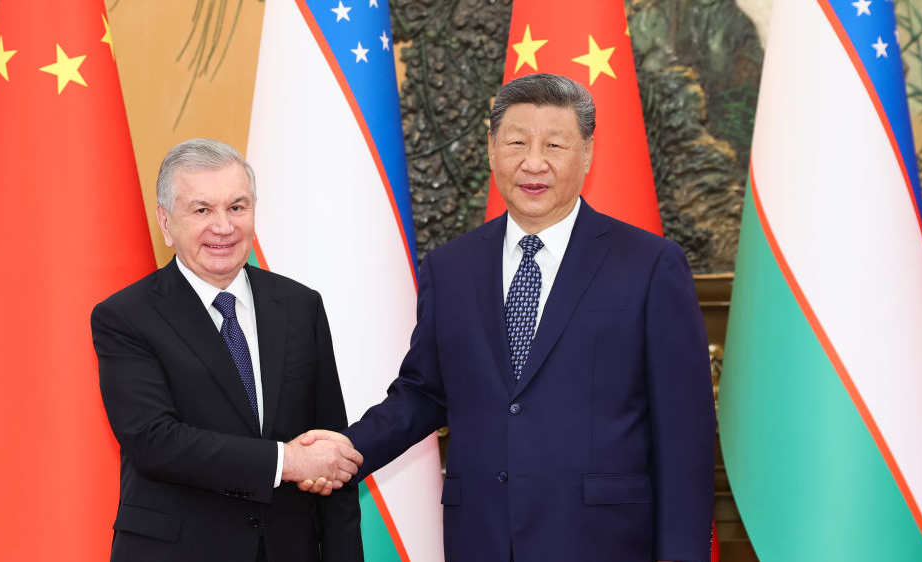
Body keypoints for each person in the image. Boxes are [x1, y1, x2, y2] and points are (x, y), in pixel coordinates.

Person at [301, 74, 716, 561]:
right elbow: (422, 394)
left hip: (605, 540)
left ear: (587, 154)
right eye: (517, 142)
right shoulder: (449, 267)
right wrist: (345, 449)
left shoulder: (649, 264)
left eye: (555, 144)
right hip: (483, 538)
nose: (533, 162)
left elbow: (684, 431)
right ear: (493, 148)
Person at [91, 138, 363, 562]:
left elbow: (330, 447)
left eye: (237, 207)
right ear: (165, 222)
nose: (223, 226)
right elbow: (154, 442)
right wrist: (285, 462)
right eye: (202, 210)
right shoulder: (126, 317)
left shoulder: (299, 305)